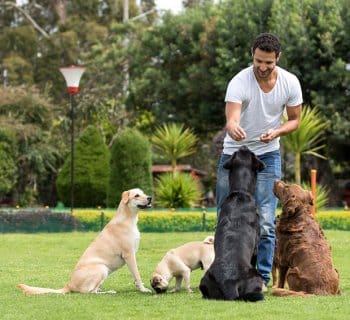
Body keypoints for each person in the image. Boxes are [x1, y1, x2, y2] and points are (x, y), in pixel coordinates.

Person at [216, 33, 303, 291]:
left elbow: (294, 120)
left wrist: (277, 132)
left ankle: (262, 279)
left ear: (278, 58)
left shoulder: (290, 82)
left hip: (267, 155)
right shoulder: (239, 81)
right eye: (258, 61)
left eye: (268, 63)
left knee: (265, 220)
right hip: (234, 155)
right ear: (252, 54)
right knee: (226, 216)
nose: (263, 67)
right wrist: (233, 126)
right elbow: (232, 116)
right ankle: (224, 273)